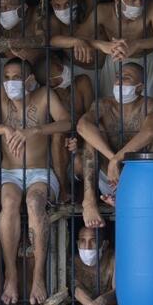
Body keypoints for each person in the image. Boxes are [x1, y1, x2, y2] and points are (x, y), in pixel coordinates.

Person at [0, 59, 71, 305]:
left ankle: (38, 276)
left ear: (29, 80)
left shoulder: (44, 95)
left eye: (16, 76)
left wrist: (37, 130)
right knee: (8, 202)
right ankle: (11, 274)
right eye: (6, 76)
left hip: (41, 172)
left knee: (34, 202)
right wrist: (4, 130)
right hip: (10, 173)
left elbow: (66, 122)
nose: (10, 82)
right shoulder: (0, 95)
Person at [76, 62, 153, 228]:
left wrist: (117, 159)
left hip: (137, 177)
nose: (119, 82)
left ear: (140, 87)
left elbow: (151, 131)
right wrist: (112, 159)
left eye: (126, 78)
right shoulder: (104, 104)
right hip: (107, 176)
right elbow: (82, 125)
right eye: (117, 77)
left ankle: (131, 195)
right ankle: (88, 202)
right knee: (92, 135)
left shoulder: (149, 104)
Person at [76, 0, 153, 98]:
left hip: (147, 61)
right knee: (110, 106)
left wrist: (137, 44)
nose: (139, 3)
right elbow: (79, 37)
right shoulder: (103, 11)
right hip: (115, 62)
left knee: (149, 107)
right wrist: (102, 45)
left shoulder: (152, 7)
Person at [35, 53, 95, 202]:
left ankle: (86, 199)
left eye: (61, 67)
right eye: (59, 72)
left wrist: (79, 140)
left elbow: (91, 118)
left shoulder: (82, 82)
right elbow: (49, 129)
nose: (64, 71)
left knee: (82, 162)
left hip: (83, 142)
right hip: (57, 154)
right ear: (51, 83)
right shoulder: (48, 96)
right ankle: (62, 190)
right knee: (57, 134)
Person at [46, 0, 99, 81]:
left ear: (77, 0)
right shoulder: (54, 22)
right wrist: (76, 41)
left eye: (68, 4)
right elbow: (52, 40)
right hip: (76, 72)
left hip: (107, 69)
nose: (63, 10)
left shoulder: (88, 9)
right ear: (51, 4)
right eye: (57, 5)